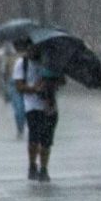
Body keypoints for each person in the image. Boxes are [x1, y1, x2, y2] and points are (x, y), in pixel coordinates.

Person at [12, 43, 64, 182]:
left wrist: (51, 82)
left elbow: (61, 81)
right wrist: (35, 89)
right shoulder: (21, 64)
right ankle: (32, 165)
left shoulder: (51, 62)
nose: (32, 51)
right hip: (32, 106)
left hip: (50, 106)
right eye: (30, 48)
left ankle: (44, 169)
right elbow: (19, 86)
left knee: (47, 140)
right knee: (34, 138)